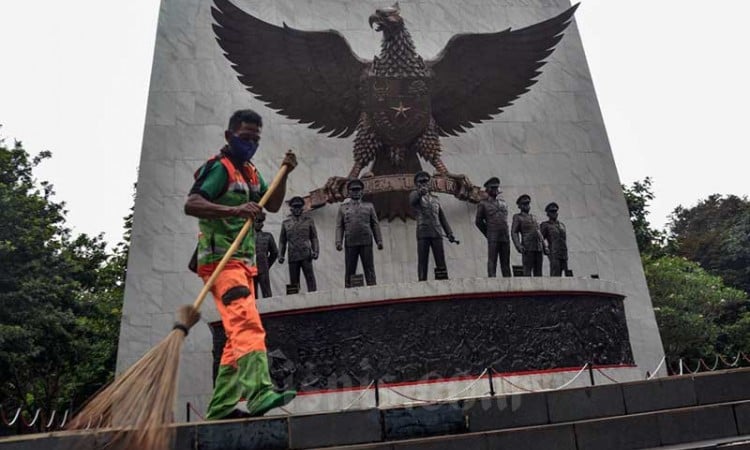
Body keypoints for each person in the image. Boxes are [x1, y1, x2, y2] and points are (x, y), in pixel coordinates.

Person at [184, 109, 297, 419]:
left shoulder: (250, 171)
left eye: (256, 139)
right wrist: (234, 212)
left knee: (237, 336)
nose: (251, 144)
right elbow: (192, 203)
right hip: (221, 261)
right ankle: (259, 392)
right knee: (247, 323)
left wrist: (284, 174)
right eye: (246, 138)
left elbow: (271, 204)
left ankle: (221, 407)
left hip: (243, 264)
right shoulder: (219, 168)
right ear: (229, 136)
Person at [335, 178, 383, 287]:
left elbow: (375, 224)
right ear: (349, 192)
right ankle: (348, 289)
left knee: (369, 267)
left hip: (366, 241)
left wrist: (379, 240)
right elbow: (339, 226)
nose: (355, 192)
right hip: (350, 241)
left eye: (358, 190)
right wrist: (338, 241)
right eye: (353, 190)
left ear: (362, 191)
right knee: (350, 268)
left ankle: (373, 287)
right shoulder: (343, 208)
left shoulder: (369, 206)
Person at [409, 171, 456, 281]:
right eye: (421, 181)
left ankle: (443, 280)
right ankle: (421, 281)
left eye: (426, 181)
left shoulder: (436, 199)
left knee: (440, 259)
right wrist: (420, 193)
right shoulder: (414, 195)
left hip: (437, 232)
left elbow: (442, 217)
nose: (424, 183)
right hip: (423, 232)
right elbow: (412, 201)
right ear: (417, 184)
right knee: (423, 260)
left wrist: (449, 233)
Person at [278, 196, 318, 292]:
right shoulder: (286, 223)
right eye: (295, 207)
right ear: (291, 209)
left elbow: (313, 237)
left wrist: (315, 250)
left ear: (302, 208)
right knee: (294, 281)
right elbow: (282, 241)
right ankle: (294, 299)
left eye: (299, 207)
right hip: (293, 255)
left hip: (306, 254)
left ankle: (314, 296)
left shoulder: (308, 221)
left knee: (310, 278)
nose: (297, 210)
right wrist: (280, 255)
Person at [475, 177, 511, 277]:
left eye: (496, 188)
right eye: (493, 188)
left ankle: (508, 281)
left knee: (506, 262)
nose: (495, 190)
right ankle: (492, 280)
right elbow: (478, 222)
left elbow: (504, 220)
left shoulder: (503, 203)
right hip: (493, 236)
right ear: (488, 189)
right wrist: (488, 233)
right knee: (492, 261)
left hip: (505, 236)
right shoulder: (483, 204)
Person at [511, 194, 546, 277]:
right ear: (520, 206)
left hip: (538, 247)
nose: (527, 206)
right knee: (527, 271)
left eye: (528, 204)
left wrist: (545, 246)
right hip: (528, 247)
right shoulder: (518, 217)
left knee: (538, 272)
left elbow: (539, 233)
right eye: (524, 204)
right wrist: (518, 246)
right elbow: (514, 232)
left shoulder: (534, 217)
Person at [540, 202, 568, 277]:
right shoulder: (545, 225)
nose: (554, 213)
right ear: (548, 214)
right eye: (552, 212)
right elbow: (540, 238)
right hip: (554, 252)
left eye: (555, 211)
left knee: (566, 273)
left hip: (563, 253)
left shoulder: (562, 225)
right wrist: (545, 248)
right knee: (555, 273)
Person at [253, 212, 279, 297]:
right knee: (252, 294)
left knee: (266, 292)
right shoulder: (246, 237)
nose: (259, 224)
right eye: (257, 221)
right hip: (250, 269)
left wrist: (267, 265)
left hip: (263, 268)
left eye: (260, 222)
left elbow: (274, 253)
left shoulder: (267, 236)